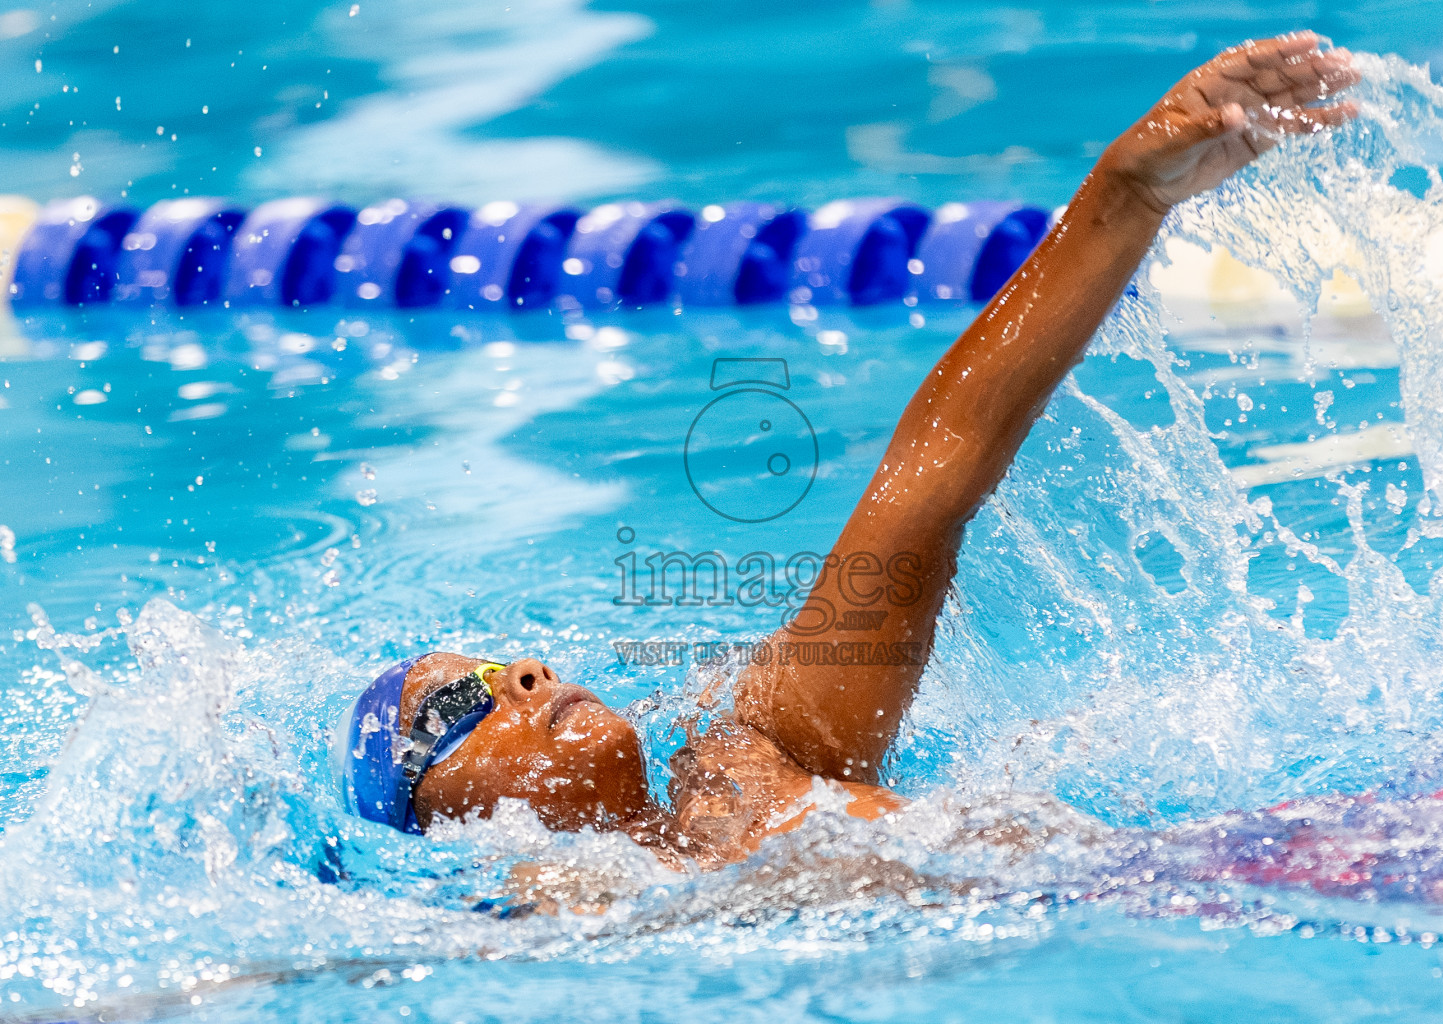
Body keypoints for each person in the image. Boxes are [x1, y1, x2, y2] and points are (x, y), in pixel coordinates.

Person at [339, 33, 1360, 870]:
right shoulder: (554, 931)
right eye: (458, 702)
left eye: (497, 662)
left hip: (1281, 863)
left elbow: (934, 472)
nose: (523, 671)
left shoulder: (756, 749)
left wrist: (1126, 196)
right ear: (438, 823)